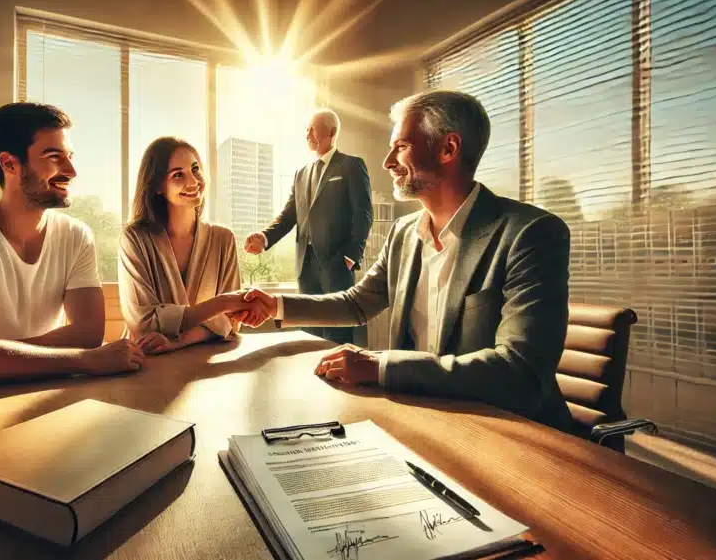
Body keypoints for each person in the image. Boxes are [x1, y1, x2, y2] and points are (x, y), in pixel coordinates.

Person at [238, 90, 573, 431]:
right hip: (424, 421)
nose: (387, 162)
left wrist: (380, 367)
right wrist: (275, 306)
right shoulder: (403, 232)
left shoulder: (531, 234)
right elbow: (357, 303)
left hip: (513, 432)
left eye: (401, 146)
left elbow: (520, 372)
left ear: (448, 149)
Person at [0, 102, 148, 384]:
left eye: (69, 156)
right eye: (54, 157)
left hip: (45, 386)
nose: (71, 171)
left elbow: (88, 334)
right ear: (9, 164)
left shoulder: (76, 236)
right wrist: (84, 359)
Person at [118, 137, 264, 354]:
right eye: (178, 174)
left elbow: (232, 321)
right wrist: (223, 303)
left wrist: (180, 341)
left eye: (195, 169)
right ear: (157, 185)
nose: (193, 181)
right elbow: (143, 324)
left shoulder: (223, 239)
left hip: (209, 358)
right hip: (147, 360)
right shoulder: (134, 239)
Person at [244, 108, 372, 345]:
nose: (307, 135)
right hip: (306, 266)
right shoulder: (300, 174)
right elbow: (288, 216)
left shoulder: (351, 165)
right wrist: (264, 237)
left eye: (312, 129)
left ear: (331, 132)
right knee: (308, 331)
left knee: (337, 334)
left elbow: (363, 214)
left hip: (337, 264)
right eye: (306, 130)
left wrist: (351, 256)